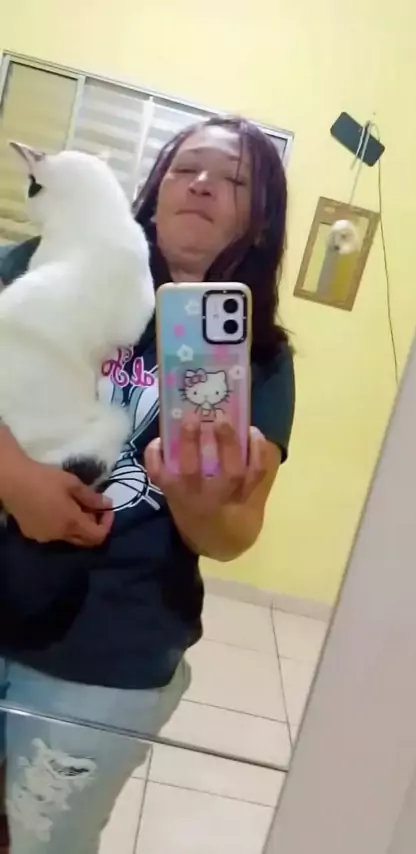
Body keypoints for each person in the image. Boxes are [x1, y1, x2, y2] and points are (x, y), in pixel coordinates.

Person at [0, 115, 295, 853]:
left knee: (44, 841)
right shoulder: (55, 258)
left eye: (233, 180)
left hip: (110, 650)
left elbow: (233, 535)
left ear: (259, 221)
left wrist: (201, 504)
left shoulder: (257, 358)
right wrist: (15, 477)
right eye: (185, 168)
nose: (203, 184)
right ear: (154, 189)